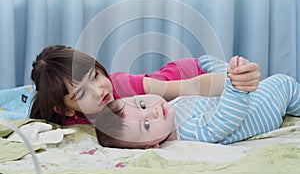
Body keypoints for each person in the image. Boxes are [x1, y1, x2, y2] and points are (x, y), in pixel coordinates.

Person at [95, 56, 300, 149]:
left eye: (141, 105)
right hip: (260, 111)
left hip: (243, 103)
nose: (154, 112)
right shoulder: (190, 131)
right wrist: (235, 87)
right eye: (146, 125)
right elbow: (227, 119)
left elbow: (203, 97)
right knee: (283, 83)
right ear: (151, 146)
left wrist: (223, 71)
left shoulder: (170, 113)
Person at [29, 45, 260, 125]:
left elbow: (191, 87)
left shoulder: (123, 86)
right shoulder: (68, 116)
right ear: (67, 109)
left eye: (95, 77)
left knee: (251, 95)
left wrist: (233, 80)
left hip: (198, 72)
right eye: (82, 93)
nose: (99, 90)